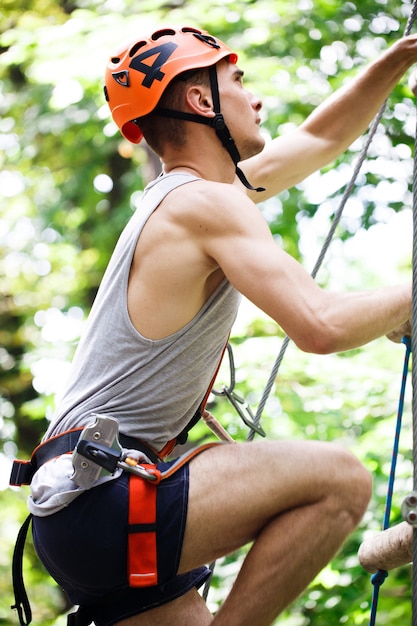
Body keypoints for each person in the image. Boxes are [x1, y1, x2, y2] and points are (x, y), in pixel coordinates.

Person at [13, 25, 417, 626]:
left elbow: (321, 136)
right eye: (238, 81)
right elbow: (321, 326)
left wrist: (402, 55)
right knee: (339, 481)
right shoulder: (206, 203)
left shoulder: (193, 197)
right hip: (110, 496)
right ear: (202, 103)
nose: (254, 99)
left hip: (76, 511)